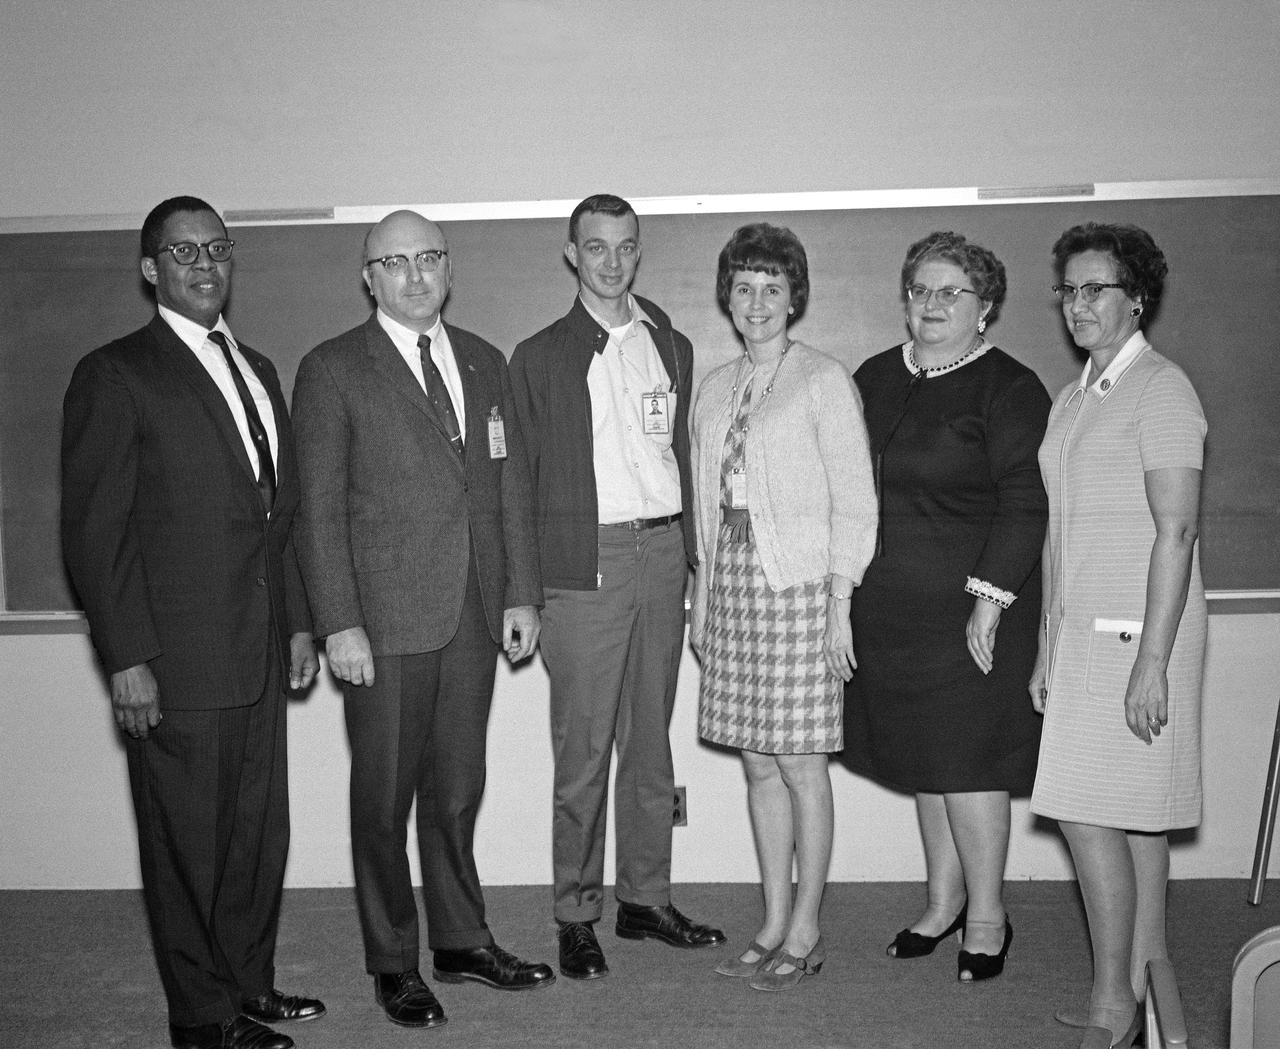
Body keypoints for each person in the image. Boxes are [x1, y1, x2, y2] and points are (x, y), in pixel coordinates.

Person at [61, 196, 324, 1049]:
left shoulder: (257, 367)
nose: (204, 265)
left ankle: (247, 983)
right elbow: (96, 535)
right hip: (177, 659)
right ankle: (202, 1017)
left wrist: (296, 624)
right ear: (151, 269)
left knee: (255, 836)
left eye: (217, 249)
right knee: (188, 848)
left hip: (256, 650)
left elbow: (276, 516)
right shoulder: (116, 373)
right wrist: (128, 658)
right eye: (183, 253)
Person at [291, 210, 552, 1030]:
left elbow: (508, 487)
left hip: (473, 613)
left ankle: (463, 939)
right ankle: (393, 960)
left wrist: (521, 592)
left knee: (457, 791)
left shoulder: (484, 358)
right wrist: (338, 621)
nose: (414, 275)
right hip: (385, 620)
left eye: (428, 258)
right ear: (368, 276)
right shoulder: (333, 368)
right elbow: (317, 509)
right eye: (395, 262)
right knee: (383, 798)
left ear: (449, 266)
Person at [508, 194, 724, 981]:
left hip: (663, 552)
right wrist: (523, 591)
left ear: (640, 252)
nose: (610, 261)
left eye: (625, 247)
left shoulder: (670, 340)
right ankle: (575, 911)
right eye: (595, 247)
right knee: (584, 747)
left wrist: (695, 559)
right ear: (572, 254)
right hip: (583, 565)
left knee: (652, 741)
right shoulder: (538, 356)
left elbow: (682, 461)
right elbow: (516, 486)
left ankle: (645, 896)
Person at [844, 231, 1050, 983]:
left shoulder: (1010, 387)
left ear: (985, 306)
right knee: (926, 764)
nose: (930, 305)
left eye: (950, 292)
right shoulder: (872, 377)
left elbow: (1027, 502)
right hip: (892, 612)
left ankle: (988, 916)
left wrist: (990, 599)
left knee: (967, 765)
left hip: (975, 615)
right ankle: (941, 901)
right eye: (920, 290)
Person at [1031, 224, 1206, 1049]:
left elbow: (1176, 533)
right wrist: (1044, 645)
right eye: (1068, 289)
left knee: (1087, 812)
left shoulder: (1162, 390)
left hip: (1141, 635)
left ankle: (1116, 1004)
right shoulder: (1078, 396)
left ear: (1136, 295)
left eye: (1095, 288)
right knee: (1128, 821)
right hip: (1083, 634)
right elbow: (1059, 533)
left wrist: (1152, 663)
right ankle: (1140, 996)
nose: (1079, 304)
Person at [689, 223, 877, 990]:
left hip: (800, 589)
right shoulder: (716, 384)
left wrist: (840, 603)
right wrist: (700, 596)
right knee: (758, 763)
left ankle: (806, 926)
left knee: (801, 761)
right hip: (732, 585)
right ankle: (771, 918)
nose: (758, 302)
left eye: (773, 287)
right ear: (727, 299)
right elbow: (705, 504)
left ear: (794, 296)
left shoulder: (823, 379)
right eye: (744, 288)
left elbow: (855, 501)